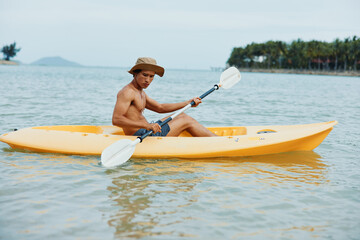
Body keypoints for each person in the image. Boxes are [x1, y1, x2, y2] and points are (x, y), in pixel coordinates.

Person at [112, 57, 217, 137]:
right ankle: (219, 141)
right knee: (186, 120)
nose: (148, 80)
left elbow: (160, 108)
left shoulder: (140, 92)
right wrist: (147, 126)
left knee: (182, 115)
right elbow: (116, 120)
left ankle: (216, 139)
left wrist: (188, 102)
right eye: (144, 75)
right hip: (143, 135)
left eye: (151, 76)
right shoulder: (127, 92)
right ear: (135, 73)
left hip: (148, 129)